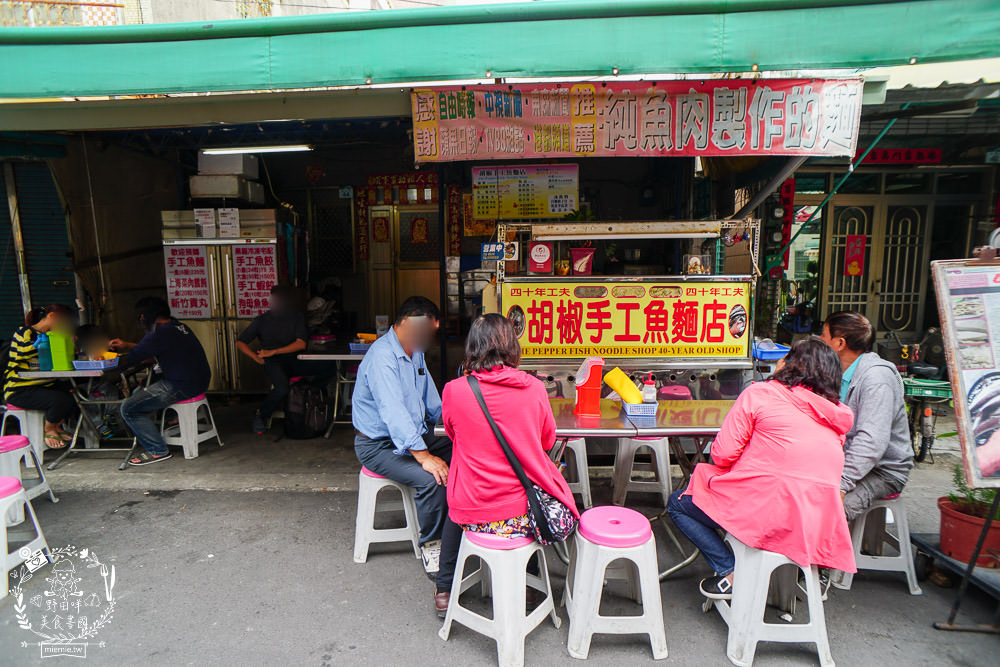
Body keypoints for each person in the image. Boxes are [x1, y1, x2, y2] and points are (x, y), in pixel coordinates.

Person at [667, 338, 857, 599]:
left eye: (787, 358)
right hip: (811, 526)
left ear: (791, 366)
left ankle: (731, 572)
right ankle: (778, 576)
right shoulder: (837, 416)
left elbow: (722, 455)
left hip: (765, 513)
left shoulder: (761, 393)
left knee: (678, 503)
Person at [433, 314, 579, 616]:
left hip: (472, 508)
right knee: (531, 499)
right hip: (521, 512)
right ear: (512, 346)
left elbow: (451, 432)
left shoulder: (454, 390)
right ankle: (528, 583)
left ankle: (445, 590)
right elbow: (546, 440)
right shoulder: (534, 388)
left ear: (472, 347)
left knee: (453, 510)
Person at [352, 296, 450, 577]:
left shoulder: (415, 352)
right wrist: (423, 456)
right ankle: (432, 544)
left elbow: (432, 403)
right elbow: (393, 412)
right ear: (407, 323)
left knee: (464, 448)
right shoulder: (383, 358)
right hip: (377, 445)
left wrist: (453, 424)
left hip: (413, 434)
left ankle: (458, 526)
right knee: (430, 479)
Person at [819, 310, 913, 520]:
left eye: (824, 336)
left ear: (839, 343)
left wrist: (841, 485)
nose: (820, 340)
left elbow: (871, 443)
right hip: (844, 462)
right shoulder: (837, 371)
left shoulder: (876, 379)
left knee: (825, 514)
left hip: (882, 471)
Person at [111, 296, 211, 466]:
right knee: (139, 392)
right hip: (198, 381)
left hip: (181, 385)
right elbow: (153, 349)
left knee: (129, 408)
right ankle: (169, 422)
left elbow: (132, 358)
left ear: (144, 317)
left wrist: (106, 359)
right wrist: (127, 344)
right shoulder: (178, 327)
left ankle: (157, 450)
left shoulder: (159, 333)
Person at [236, 285, 335, 435]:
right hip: (273, 363)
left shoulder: (296, 317)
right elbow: (240, 342)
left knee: (329, 366)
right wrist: (256, 358)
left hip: (294, 359)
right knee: (282, 389)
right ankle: (260, 414)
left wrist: (274, 351)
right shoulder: (262, 320)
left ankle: (305, 395)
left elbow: (301, 343)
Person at [4, 305, 77, 449]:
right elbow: (21, 353)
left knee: (76, 394)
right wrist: (44, 342)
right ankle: (48, 429)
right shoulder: (24, 332)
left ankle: (57, 426)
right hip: (20, 389)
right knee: (60, 400)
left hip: (44, 385)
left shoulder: (56, 335)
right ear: (52, 317)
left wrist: (68, 344)